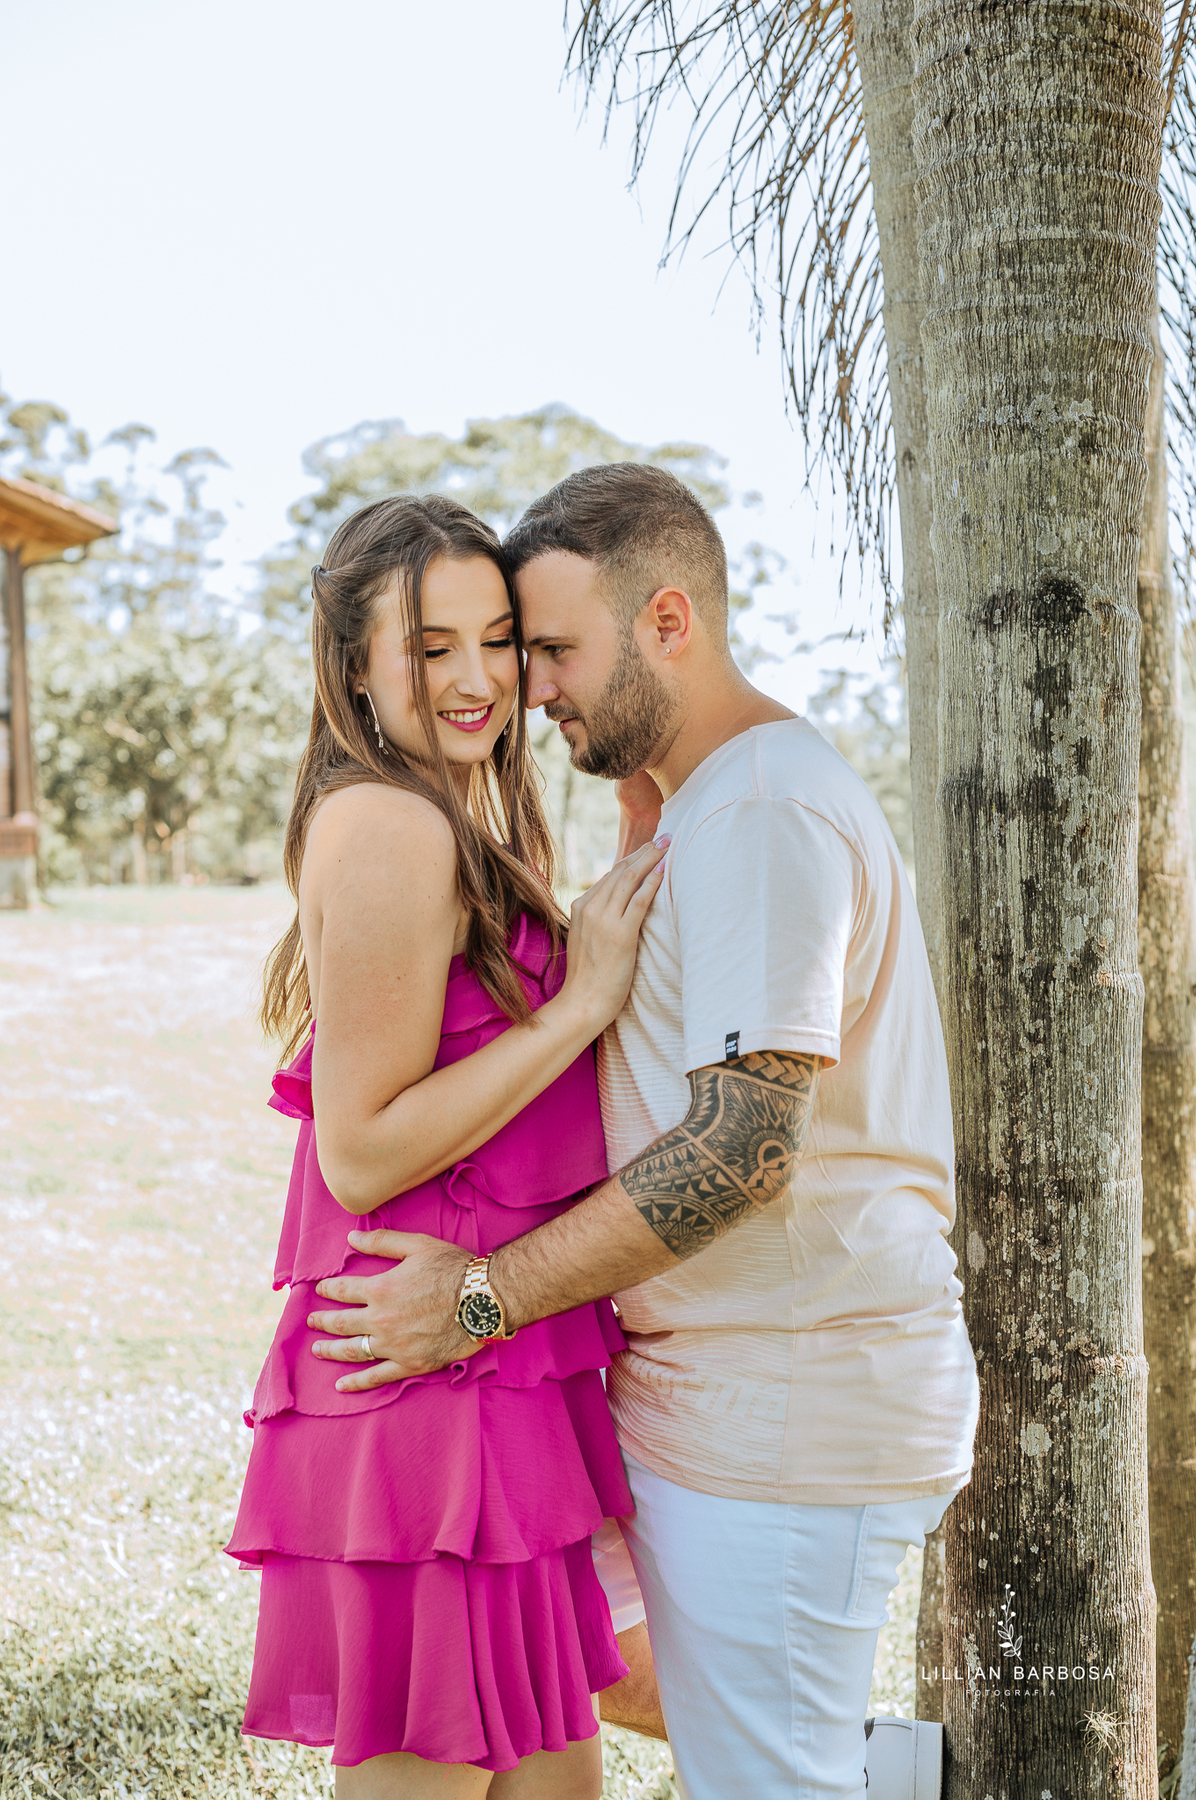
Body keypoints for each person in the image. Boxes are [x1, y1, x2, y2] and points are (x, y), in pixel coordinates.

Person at [307, 465, 981, 1800]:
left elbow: (740, 1150)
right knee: (603, 1686)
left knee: (767, 1776)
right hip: (708, 1393)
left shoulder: (766, 812)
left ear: (667, 622)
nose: (526, 687)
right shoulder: (707, 808)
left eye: (546, 648)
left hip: (787, 1403)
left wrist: (483, 1301)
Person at [225, 492, 669, 1799]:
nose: (478, 679)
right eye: (431, 648)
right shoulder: (393, 826)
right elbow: (361, 1152)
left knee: (554, 1786)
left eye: (499, 640)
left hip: (487, 1366)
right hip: (424, 1391)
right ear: (355, 668)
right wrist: (583, 1001)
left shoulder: (458, 819)